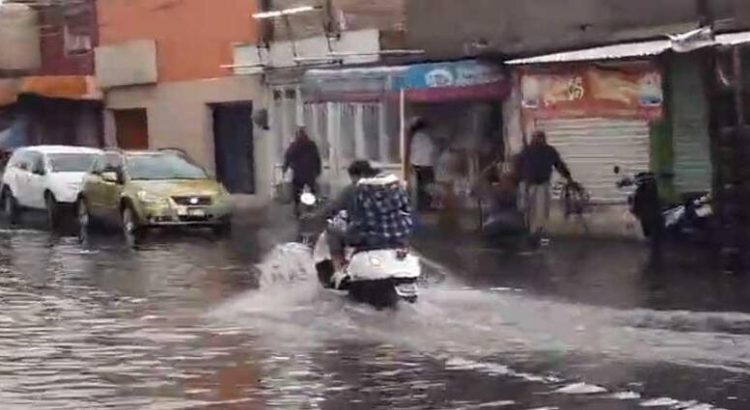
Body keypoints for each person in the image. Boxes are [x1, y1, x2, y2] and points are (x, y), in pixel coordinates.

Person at [518, 130, 573, 239]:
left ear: (543, 138)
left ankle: (540, 233)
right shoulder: (526, 151)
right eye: (535, 137)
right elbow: (518, 166)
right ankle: (528, 231)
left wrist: (568, 176)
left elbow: (559, 164)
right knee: (527, 209)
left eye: (539, 137)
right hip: (528, 184)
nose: (537, 139)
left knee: (542, 210)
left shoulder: (549, 151)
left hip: (542, 184)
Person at [283, 128, 322, 217]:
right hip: (309, 172)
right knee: (310, 189)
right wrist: (318, 170)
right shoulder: (311, 145)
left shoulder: (295, 145)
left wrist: (285, 168)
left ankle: (297, 208)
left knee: (297, 190)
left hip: (298, 172)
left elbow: (288, 157)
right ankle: (309, 208)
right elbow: (317, 158)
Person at [408, 118, 437, 211]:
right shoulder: (427, 136)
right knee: (427, 188)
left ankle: (421, 207)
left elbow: (413, 152)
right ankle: (427, 206)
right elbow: (432, 149)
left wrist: (411, 164)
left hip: (418, 165)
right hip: (427, 165)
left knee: (420, 188)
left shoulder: (416, 137)